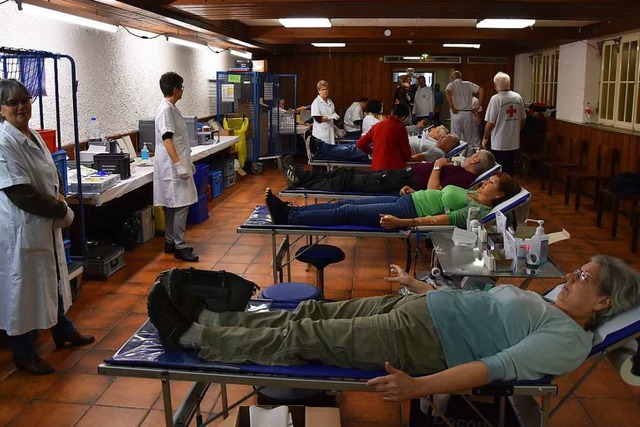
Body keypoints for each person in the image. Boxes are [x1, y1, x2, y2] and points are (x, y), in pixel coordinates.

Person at [147, 253, 640, 402]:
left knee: (303, 337)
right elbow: (478, 299)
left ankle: (194, 337)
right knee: (310, 315)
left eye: (583, 278)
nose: (571, 277)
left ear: (602, 302)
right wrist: (418, 285)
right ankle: (212, 318)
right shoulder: (551, 305)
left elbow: (494, 368)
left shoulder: (567, 342)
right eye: (576, 271)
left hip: (421, 342)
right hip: (418, 312)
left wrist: (418, 386)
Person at [0, 79, 94, 375]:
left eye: (25, 100)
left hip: (45, 222)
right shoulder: (4, 142)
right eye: (13, 103)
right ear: (1, 109)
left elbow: (53, 171)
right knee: (23, 291)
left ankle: (62, 330)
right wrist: (62, 211)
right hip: (23, 227)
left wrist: (61, 196)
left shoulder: (33, 134)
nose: (21, 106)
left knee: (53, 278)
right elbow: (21, 193)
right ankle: (24, 354)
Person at [266, 171, 518, 229]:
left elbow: (443, 219)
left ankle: (288, 216)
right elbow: (439, 194)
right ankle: (292, 210)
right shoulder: (473, 192)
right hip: (409, 199)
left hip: (406, 211)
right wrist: (414, 191)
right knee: (342, 204)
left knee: (347, 211)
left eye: (492, 183)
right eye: (489, 179)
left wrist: (403, 223)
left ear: (499, 195)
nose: (486, 181)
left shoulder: (476, 209)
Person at [285, 149, 496, 195]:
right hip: (401, 174)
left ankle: (301, 180)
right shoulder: (461, 170)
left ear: (476, 159)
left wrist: (439, 164)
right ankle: (302, 176)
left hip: (402, 181)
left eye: (474, 154)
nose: (470, 155)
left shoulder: (465, 177)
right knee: (344, 173)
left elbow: (434, 190)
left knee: (346, 181)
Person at [154, 72, 199, 262]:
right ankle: (179, 246)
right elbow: (167, 140)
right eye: (181, 88)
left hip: (174, 163)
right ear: (175, 89)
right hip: (172, 166)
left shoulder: (170, 108)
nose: (182, 91)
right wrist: (180, 165)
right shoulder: (165, 110)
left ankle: (170, 242)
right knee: (181, 204)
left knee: (173, 206)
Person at [483, 72, 526, 175]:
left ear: (495, 85)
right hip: (513, 141)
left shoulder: (496, 99)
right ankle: (510, 187)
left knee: (499, 169)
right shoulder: (517, 97)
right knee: (510, 168)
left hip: (499, 142)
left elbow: (490, 122)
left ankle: (501, 189)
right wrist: (516, 130)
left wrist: (485, 138)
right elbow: (523, 119)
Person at [357, 103, 412, 170]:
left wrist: (372, 151)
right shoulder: (401, 128)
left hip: (376, 168)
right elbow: (407, 154)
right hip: (394, 170)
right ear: (404, 117)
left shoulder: (377, 125)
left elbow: (360, 144)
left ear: (392, 112)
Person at [445, 71, 483, 142]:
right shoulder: (468, 84)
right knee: (468, 138)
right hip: (468, 113)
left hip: (456, 112)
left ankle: (457, 153)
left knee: (455, 137)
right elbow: (481, 90)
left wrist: (452, 106)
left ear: (452, 78)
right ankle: (469, 152)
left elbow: (447, 92)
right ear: (460, 77)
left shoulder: (451, 84)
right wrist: (478, 105)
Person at [310, 80, 337, 145]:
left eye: (326, 89)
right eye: (322, 89)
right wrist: (330, 117)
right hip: (321, 134)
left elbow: (333, 113)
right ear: (318, 91)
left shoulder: (330, 102)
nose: (325, 91)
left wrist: (333, 116)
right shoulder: (316, 102)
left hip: (330, 132)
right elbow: (318, 119)